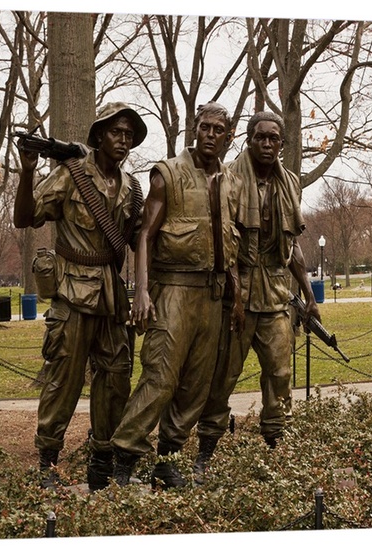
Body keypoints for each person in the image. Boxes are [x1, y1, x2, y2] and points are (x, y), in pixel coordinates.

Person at [110, 102, 257, 488]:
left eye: (218, 130)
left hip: (213, 295)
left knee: (196, 383)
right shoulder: (168, 174)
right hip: (173, 288)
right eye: (205, 127)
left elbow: (234, 248)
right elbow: (144, 235)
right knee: (160, 376)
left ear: (228, 136)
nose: (210, 134)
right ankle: (123, 460)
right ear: (196, 129)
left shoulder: (231, 182)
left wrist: (237, 298)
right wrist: (141, 292)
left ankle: (169, 458)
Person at [13, 102, 147, 491]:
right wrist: (26, 173)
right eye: (116, 132)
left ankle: (102, 464)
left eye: (128, 135)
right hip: (72, 294)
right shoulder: (71, 174)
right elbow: (25, 218)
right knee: (63, 381)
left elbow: (143, 239)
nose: (123, 140)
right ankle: (47, 466)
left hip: (112, 299)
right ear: (99, 135)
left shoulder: (132, 188)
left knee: (115, 380)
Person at [193, 111, 320, 483]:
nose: (267, 144)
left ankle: (277, 447)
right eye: (260, 137)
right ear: (249, 139)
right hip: (240, 290)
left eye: (274, 139)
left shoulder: (290, 184)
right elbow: (224, 243)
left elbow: (291, 246)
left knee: (280, 373)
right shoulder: (228, 178)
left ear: (282, 144)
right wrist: (234, 297)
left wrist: (309, 296)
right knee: (224, 375)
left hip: (278, 293)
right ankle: (205, 451)